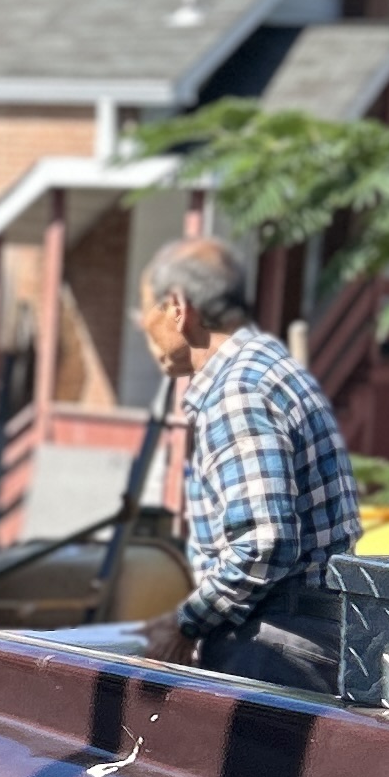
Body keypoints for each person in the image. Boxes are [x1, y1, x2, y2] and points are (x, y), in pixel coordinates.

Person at [134, 237, 360, 686]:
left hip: (273, 642)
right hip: (305, 629)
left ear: (177, 307)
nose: (144, 329)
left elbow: (263, 541)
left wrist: (187, 623)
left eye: (144, 313)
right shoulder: (268, 366)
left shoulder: (236, 391)